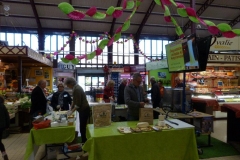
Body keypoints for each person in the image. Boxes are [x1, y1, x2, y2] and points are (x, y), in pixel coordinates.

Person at [64, 77, 90, 143]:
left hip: (84, 110)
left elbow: (78, 104)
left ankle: (84, 142)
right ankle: (84, 140)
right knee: (82, 126)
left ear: (71, 83)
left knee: (82, 127)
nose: (67, 86)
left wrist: (71, 111)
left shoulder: (77, 89)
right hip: (83, 109)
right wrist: (71, 107)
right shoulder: (75, 88)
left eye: (67, 84)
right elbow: (74, 100)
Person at [0, 96, 10, 160]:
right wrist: (7, 126)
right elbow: (7, 116)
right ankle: (4, 154)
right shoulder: (2, 106)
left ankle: (4, 154)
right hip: (1, 126)